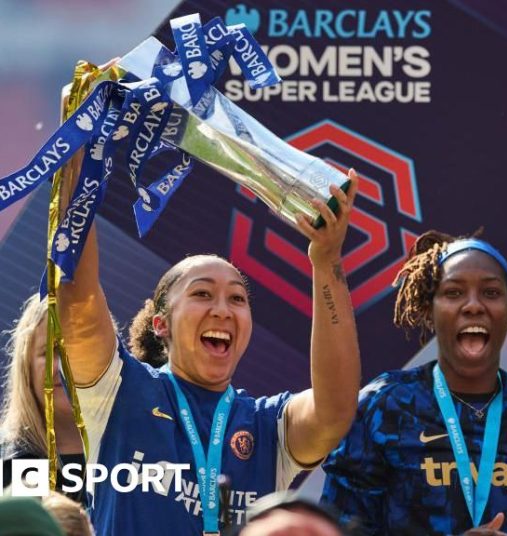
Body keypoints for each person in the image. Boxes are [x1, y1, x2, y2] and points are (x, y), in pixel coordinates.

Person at [58, 155, 362, 536]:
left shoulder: (268, 427)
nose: (223, 310)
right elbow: (78, 302)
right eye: (202, 293)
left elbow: (335, 410)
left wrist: (327, 260)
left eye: (237, 299)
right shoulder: (116, 393)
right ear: (161, 324)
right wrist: (76, 152)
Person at [321, 230, 507, 535]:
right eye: (454, 293)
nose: (473, 306)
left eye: (491, 293)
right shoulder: (384, 407)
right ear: (429, 311)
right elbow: (335, 530)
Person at [0, 295, 85, 503]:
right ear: (26, 365)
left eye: (78, 350)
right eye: (51, 352)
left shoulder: (142, 453)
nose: (65, 367)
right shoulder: (10, 463)